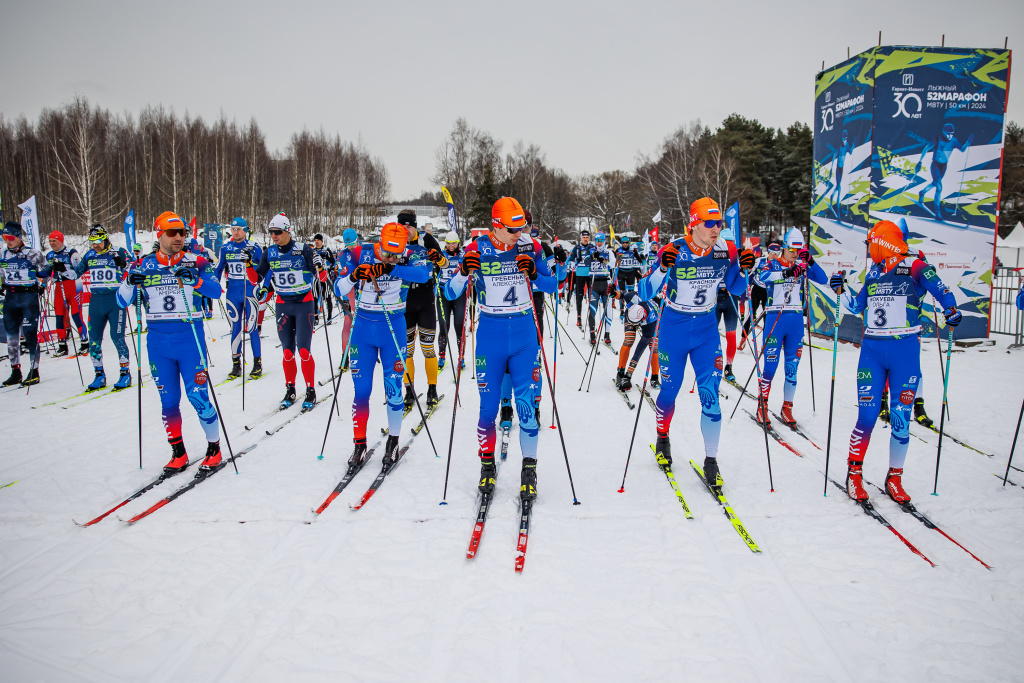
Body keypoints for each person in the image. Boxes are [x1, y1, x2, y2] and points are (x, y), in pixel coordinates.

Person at [830, 220, 960, 504]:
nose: (868, 248)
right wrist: (839, 289)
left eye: (870, 242)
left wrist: (950, 309)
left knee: (901, 418)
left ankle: (895, 477)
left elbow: (939, 288)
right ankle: (854, 474)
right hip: (872, 351)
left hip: (904, 352)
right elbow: (855, 306)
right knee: (867, 415)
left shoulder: (914, 266)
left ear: (882, 241)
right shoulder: (874, 272)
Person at [443, 197, 557, 501]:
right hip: (491, 333)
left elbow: (554, 285)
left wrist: (535, 274)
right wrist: (462, 273)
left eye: (522, 227)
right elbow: (449, 292)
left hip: (523, 333)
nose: (519, 232)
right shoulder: (475, 248)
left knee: (525, 408)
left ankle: (529, 470)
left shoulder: (530, 247)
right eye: (512, 228)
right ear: (496, 225)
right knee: (487, 410)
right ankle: (487, 466)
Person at [637, 197, 745, 489]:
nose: (716, 229)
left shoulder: (726, 249)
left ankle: (711, 460)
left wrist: (744, 270)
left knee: (710, 393)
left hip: (707, 329)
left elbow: (736, 288)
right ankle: (662, 437)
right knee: (669, 390)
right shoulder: (674, 249)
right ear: (694, 224)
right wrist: (661, 269)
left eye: (719, 223)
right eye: (710, 223)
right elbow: (645, 291)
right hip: (674, 326)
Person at [117, 211, 224, 472]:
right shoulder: (142, 265)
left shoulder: (196, 261)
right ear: (160, 234)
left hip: (189, 338)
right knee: (168, 400)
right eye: (172, 233)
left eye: (183, 233)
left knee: (197, 396)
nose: (178, 237)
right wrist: (130, 283)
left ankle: (214, 447)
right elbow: (121, 301)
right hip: (157, 341)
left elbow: (216, 290)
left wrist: (196, 281)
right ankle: (178, 451)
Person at [333, 222, 432, 467]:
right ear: (380, 244)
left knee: (393, 390)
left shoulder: (409, 255)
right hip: (363, 329)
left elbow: (424, 275)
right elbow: (338, 287)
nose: (391, 258)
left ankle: (393, 442)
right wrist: (355, 275)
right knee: (362, 391)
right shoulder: (360, 253)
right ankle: (359, 444)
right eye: (387, 254)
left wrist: (392, 269)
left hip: (393, 328)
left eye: (397, 255)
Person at [246, 212, 325, 411]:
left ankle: (310, 391)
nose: (273, 235)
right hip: (283, 304)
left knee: (304, 350)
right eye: (271, 232)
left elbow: (321, 278)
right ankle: (290, 390)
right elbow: (256, 278)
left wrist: (320, 267)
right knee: (288, 352)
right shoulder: (269, 252)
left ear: (287, 231)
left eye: (277, 232)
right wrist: (247, 264)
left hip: (304, 303)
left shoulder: (303, 249)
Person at [751, 228, 826, 427]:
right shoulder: (771, 263)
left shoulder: (802, 264)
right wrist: (785, 272)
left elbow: (823, 279)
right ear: (784, 247)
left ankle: (787, 407)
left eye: (799, 249)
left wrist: (810, 261)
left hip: (795, 321)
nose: (795, 252)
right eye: (792, 248)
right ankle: (762, 406)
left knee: (792, 369)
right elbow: (760, 279)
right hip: (776, 318)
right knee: (770, 367)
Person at [74, 225, 133, 391]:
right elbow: (75, 273)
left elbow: (136, 269)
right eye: (92, 242)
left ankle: (124, 373)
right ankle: (99, 374)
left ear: (105, 238)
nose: (95, 245)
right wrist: (59, 269)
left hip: (115, 300)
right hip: (96, 301)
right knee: (94, 339)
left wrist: (123, 264)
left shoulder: (119, 251)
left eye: (98, 241)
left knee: (117, 337)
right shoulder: (90, 255)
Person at [397, 209, 446, 410]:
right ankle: (408, 389)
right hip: (404, 302)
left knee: (427, 349)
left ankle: (432, 388)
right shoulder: (395, 242)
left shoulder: (427, 240)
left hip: (425, 300)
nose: (406, 229)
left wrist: (437, 258)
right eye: (402, 226)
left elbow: (445, 263)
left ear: (415, 226)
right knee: (407, 351)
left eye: (409, 225)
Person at [214, 217, 263, 380]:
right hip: (233, 291)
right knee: (235, 327)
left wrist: (264, 285)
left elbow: (265, 267)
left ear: (245, 230)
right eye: (233, 229)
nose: (235, 232)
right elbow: (219, 268)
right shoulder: (226, 247)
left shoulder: (254, 247)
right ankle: (236, 364)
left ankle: (257, 364)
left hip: (250, 289)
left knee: (252, 326)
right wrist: (214, 283)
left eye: (238, 229)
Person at [1, 221, 47, 386]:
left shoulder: (32, 253)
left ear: (19, 237)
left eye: (11, 237)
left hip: (28, 298)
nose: (8, 240)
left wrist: (42, 285)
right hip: (11, 298)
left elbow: (47, 269)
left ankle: (34, 371)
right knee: (11, 337)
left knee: (29, 334)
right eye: (5, 237)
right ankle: (15, 372)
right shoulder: (3, 254)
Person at [913, 122, 973, 222]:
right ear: (943, 132)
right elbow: (926, 148)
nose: (950, 136)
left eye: (951, 133)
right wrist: (920, 162)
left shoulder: (954, 141)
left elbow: (962, 150)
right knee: (939, 188)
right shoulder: (937, 139)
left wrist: (967, 143)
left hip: (944, 166)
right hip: (935, 165)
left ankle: (922, 192)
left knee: (935, 183)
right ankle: (937, 213)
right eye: (948, 133)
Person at [45, 230, 89, 357]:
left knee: (76, 315)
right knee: (59, 316)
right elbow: (48, 272)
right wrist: (43, 279)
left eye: (54, 240)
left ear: (61, 240)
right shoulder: (49, 255)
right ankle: (62, 345)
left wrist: (63, 269)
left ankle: (85, 342)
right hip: (59, 287)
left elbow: (78, 270)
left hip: (74, 286)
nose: (52, 243)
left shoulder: (71, 253)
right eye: (50, 241)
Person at [614, 290, 660, 391]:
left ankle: (655, 377)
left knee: (654, 347)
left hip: (651, 323)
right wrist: (615, 293)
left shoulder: (650, 324)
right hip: (633, 315)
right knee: (629, 340)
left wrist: (629, 375)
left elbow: (638, 352)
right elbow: (622, 294)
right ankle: (620, 372)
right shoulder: (633, 298)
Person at [436, 230, 466, 371]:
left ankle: (461, 357)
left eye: (453, 243)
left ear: (458, 243)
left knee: (459, 326)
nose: (451, 246)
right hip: (443, 294)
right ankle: (442, 356)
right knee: (443, 326)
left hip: (459, 294)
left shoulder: (463, 255)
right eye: (448, 243)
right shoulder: (441, 255)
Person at [586, 232, 615, 345]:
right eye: (597, 240)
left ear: (604, 241)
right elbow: (586, 262)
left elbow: (612, 263)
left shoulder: (609, 252)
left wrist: (603, 259)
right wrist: (593, 256)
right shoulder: (591, 251)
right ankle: (592, 335)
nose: (599, 243)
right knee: (592, 310)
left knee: (608, 310)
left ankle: (607, 334)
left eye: (601, 240)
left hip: (606, 283)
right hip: (594, 284)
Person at [567, 230, 596, 328]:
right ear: (581, 238)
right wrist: (569, 264)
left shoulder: (592, 248)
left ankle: (591, 317)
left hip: (590, 274)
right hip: (579, 274)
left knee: (591, 296)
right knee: (579, 296)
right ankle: (579, 316)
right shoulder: (577, 248)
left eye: (587, 237)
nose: (585, 239)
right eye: (584, 237)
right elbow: (570, 259)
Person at [613, 235, 644, 318]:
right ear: (622, 243)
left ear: (629, 243)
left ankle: (631, 308)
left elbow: (639, 260)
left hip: (631, 273)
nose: (625, 244)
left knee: (631, 292)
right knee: (621, 292)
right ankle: (622, 310)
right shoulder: (618, 250)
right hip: (621, 273)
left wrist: (641, 257)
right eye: (624, 243)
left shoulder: (632, 250)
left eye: (627, 243)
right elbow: (613, 260)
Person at [311, 233, 337, 325]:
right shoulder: (313, 251)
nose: (316, 242)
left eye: (318, 240)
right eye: (315, 240)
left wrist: (326, 257)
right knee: (314, 296)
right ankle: (315, 317)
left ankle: (329, 317)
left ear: (321, 241)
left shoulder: (326, 250)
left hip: (326, 275)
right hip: (316, 276)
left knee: (327, 296)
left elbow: (333, 262)